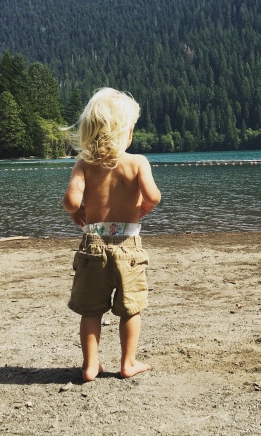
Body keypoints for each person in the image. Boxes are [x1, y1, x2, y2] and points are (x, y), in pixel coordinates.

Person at [62, 87, 162, 382]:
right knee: (130, 309)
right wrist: (145, 207)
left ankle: (90, 366)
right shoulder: (137, 162)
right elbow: (154, 196)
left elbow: (70, 202)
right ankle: (127, 363)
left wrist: (76, 212)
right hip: (128, 248)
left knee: (91, 310)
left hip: (92, 247)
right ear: (126, 132)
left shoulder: (84, 165)